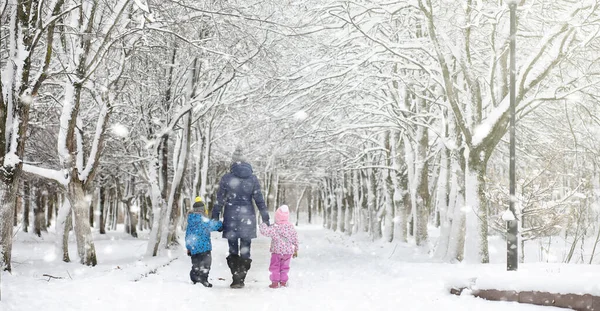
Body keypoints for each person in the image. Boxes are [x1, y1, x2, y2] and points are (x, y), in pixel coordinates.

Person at [211, 146, 270, 288]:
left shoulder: (226, 178)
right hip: (247, 216)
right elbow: (259, 200)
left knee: (232, 248)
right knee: (246, 247)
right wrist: (265, 218)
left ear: (232, 164)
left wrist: (215, 216)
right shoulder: (253, 179)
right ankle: (241, 277)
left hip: (231, 216)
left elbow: (219, 200)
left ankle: (235, 276)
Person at [185, 196, 223, 287]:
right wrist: (221, 225)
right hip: (205, 248)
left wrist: (189, 248)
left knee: (196, 264)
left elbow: (187, 236)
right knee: (206, 264)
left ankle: (194, 276)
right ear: (203, 210)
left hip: (194, 248)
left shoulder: (190, 221)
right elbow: (215, 225)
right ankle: (203, 279)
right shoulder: (204, 220)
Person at [259, 205, 299, 288]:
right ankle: (283, 282)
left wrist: (263, 225)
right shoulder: (290, 227)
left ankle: (275, 282)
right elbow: (295, 239)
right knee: (285, 267)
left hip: (277, 252)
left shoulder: (274, 227)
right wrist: (296, 249)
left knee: (275, 267)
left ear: (277, 217)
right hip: (288, 252)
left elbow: (265, 231)